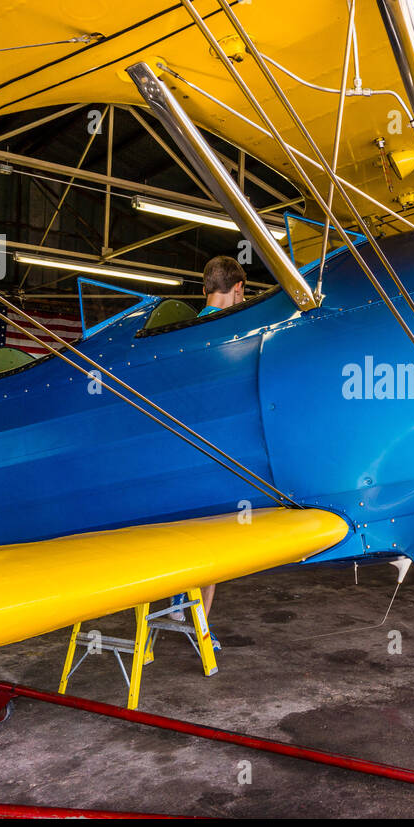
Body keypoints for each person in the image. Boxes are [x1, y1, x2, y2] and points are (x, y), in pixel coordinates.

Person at [170, 255, 248, 625]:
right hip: (214, 457)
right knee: (212, 549)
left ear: (204, 290)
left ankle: (173, 607)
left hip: (179, 454)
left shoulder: (182, 331)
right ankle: (199, 626)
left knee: (179, 538)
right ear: (237, 289)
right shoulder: (238, 332)